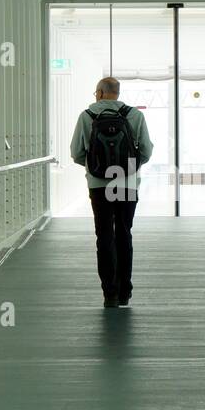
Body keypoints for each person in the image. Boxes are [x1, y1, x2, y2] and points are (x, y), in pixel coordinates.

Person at [69, 76, 154, 308]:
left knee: (104, 235)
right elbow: (146, 150)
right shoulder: (134, 115)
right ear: (117, 93)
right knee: (124, 234)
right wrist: (129, 169)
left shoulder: (87, 116)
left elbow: (76, 152)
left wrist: (95, 168)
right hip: (126, 183)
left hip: (98, 186)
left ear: (99, 93)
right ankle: (125, 291)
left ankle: (110, 294)